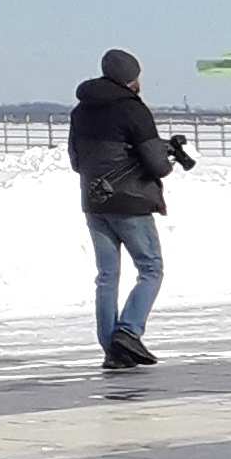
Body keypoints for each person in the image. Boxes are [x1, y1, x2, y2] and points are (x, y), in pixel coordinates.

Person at [69, 49, 190, 367]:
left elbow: (76, 161)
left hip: (94, 201)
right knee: (151, 268)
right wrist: (167, 156)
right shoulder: (133, 110)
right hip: (131, 202)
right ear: (131, 78)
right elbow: (157, 165)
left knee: (107, 275)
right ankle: (129, 332)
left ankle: (112, 348)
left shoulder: (81, 111)